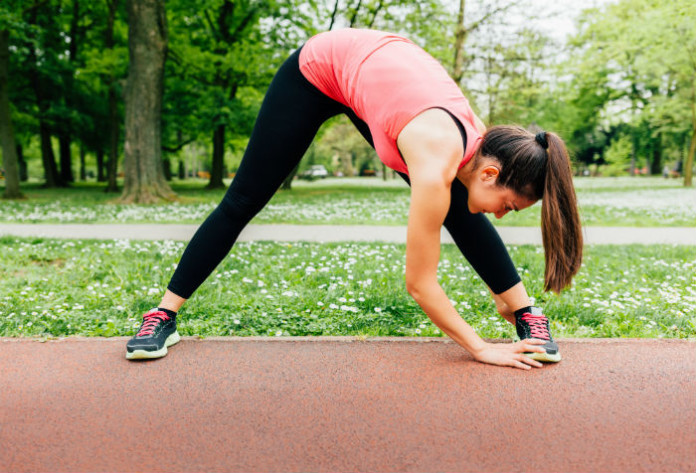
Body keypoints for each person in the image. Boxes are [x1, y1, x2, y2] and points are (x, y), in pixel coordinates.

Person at [125, 29, 583, 370]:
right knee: (243, 199)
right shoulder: (434, 157)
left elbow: (471, 203)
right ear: (491, 172)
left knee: (460, 208)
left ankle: (523, 310)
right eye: (508, 205)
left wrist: (502, 301)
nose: (502, 215)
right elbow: (420, 285)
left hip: (380, 74)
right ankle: (162, 315)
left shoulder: (489, 147)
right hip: (322, 67)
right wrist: (482, 348)